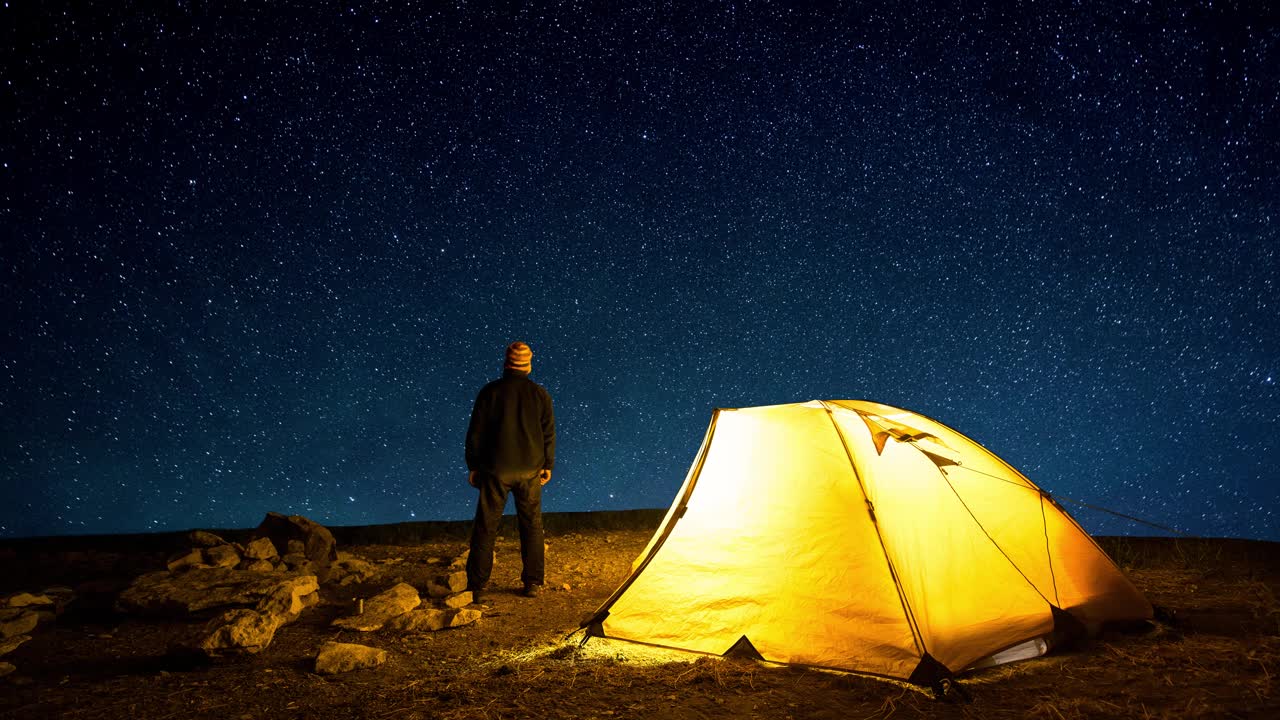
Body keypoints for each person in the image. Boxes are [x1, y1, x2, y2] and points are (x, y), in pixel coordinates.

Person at [464, 341, 555, 601]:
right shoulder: (540, 394)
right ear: (528, 365)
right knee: (532, 526)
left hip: (494, 469)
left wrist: (473, 465)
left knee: (486, 526)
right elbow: (548, 433)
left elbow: (476, 433)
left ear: (506, 363)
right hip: (529, 470)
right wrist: (548, 464)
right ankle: (532, 583)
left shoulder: (489, 392)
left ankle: (478, 586)